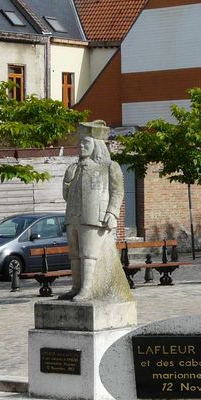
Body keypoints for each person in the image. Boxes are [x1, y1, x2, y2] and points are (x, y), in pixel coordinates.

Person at [59, 120, 124, 301]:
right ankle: (76, 286)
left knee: (88, 253)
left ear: (96, 145)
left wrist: (112, 213)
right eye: (80, 142)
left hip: (94, 217)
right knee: (74, 254)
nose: (81, 145)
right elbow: (66, 195)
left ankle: (87, 289)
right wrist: (67, 181)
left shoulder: (109, 167)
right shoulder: (73, 168)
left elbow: (117, 191)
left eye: (85, 142)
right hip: (73, 216)